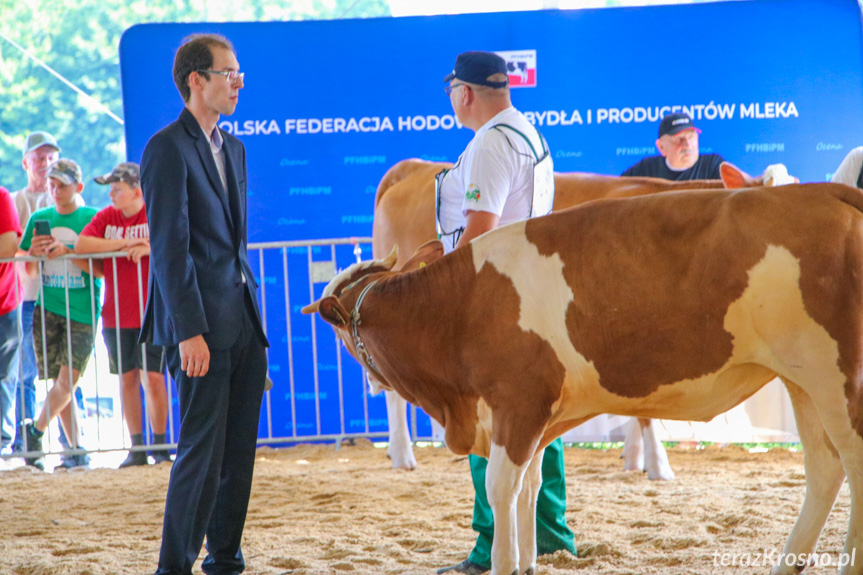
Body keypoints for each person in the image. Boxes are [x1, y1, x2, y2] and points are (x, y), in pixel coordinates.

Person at [435, 51, 574, 575]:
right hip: (532, 296)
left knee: (486, 424)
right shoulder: (527, 131)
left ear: (465, 93)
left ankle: (490, 547)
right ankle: (550, 534)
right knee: (540, 420)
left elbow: (480, 233)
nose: (452, 101)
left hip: (495, 303)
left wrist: (440, 286)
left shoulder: (491, 141)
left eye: (451, 91)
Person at [140, 33, 268, 575]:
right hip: (197, 329)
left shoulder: (233, 147)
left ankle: (224, 560)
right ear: (197, 80)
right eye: (228, 73)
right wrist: (189, 330)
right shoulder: (166, 147)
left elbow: (230, 246)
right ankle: (174, 567)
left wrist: (245, 322)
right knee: (200, 453)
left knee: (237, 454)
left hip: (241, 320)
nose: (237, 82)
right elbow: (169, 249)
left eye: (239, 73)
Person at [76, 162, 170, 468]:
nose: (112, 194)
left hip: (152, 311)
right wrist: (128, 243)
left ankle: (160, 444)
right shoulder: (107, 217)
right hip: (116, 313)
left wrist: (150, 248)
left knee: (153, 377)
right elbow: (82, 244)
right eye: (111, 189)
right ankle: (137, 446)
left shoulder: (155, 211)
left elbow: (175, 245)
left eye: (118, 189)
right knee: (127, 378)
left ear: (137, 191)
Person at [18, 158, 102, 470]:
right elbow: (27, 268)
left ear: (78, 187)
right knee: (61, 384)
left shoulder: (92, 218)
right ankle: (75, 449)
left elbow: (101, 269)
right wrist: (35, 253)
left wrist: (69, 252)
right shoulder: (40, 217)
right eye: (52, 184)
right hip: (48, 306)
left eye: (62, 185)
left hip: (82, 309)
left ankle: (35, 431)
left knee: (66, 382)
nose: (55, 190)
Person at [621, 112, 724, 180]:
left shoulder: (713, 165)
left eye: (691, 137)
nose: (688, 144)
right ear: (661, 147)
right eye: (679, 139)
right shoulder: (645, 170)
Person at [0, 186, 22, 459]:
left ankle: (2, 444)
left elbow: (8, 246)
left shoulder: (2, 197)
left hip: (4, 301)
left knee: (4, 375)